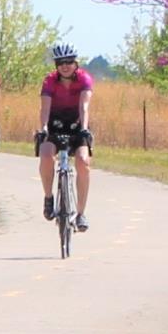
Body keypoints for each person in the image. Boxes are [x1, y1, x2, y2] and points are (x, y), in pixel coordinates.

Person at [35, 43, 95, 232]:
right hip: (55, 124)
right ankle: (48, 197)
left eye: (69, 61)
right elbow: (44, 109)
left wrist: (84, 128)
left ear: (76, 63)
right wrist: (44, 128)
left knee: (83, 162)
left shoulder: (84, 79)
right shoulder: (50, 81)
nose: (65, 66)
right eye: (61, 62)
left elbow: (84, 106)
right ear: (56, 65)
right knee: (45, 154)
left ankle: (81, 213)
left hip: (77, 125)